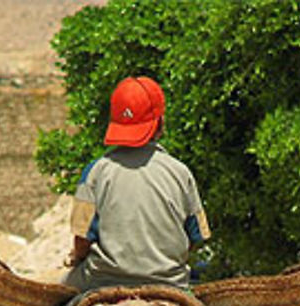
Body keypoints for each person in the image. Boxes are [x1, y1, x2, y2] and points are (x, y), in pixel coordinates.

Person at [63, 76, 211, 291]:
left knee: (55, 305)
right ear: (159, 123)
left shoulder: (96, 172)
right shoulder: (181, 173)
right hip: (170, 284)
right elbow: (195, 237)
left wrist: (77, 259)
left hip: (101, 281)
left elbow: (82, 239)